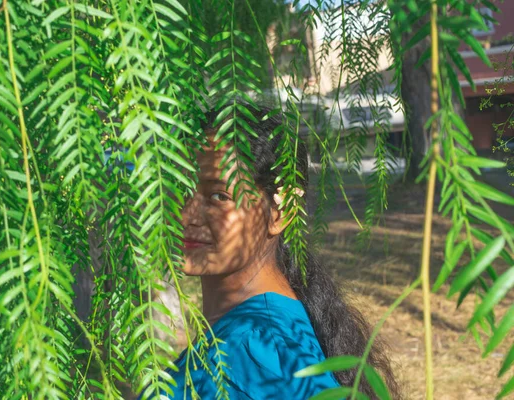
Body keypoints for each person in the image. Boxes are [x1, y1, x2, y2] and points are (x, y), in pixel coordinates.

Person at [142, 105, 400, 399]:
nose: (186, 215)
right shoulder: (253, 333)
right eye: (179, 188)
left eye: (219, 196)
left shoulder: (262, 355)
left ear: (280, 211)